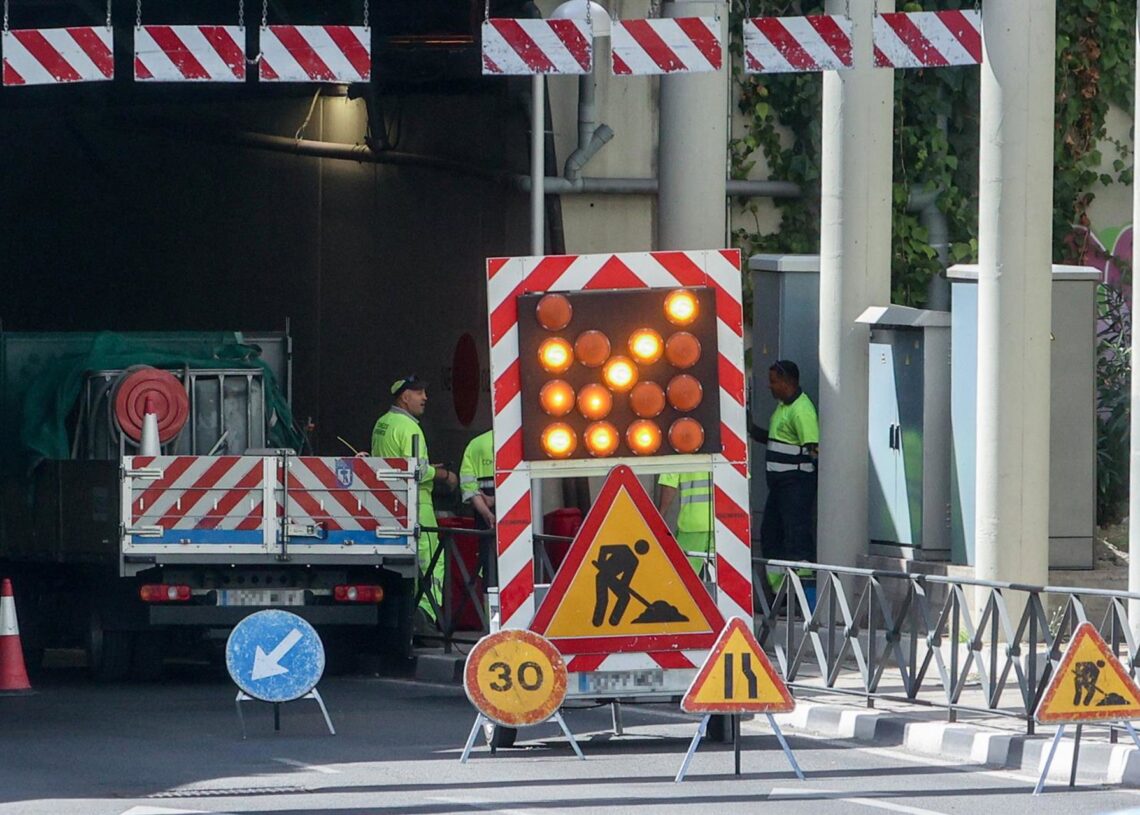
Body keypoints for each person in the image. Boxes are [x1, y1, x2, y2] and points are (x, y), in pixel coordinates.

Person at [370, 375, 458, 627]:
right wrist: (445, 475)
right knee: (431, 562)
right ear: (405, 397)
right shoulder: (409, 427)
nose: (425, 398)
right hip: (417, 504)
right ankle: (426, 613)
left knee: (400, 562)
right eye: (419, 393)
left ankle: (404, 614)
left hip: (389, 505)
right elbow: (416, 470)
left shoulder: (382, 423)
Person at [753, 360, 819, 586]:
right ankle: (779, 589)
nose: (769, 386)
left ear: (787, 382)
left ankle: (802, 590)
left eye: (773, 382)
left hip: (796, 485)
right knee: (771, 535)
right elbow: (778, 441)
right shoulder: (784, 407)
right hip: (781, 486)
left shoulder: (801, 410)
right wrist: (753, 431)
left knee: (796, 536)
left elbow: (814, 449)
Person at [459, 429, 496, 585]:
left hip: (485, 518)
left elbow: (469, 487)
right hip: (516, 516)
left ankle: (489, 598)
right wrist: (498, 499)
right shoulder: (519, 440)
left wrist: (487, 513)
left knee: (489, 565)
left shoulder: (476, 444)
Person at [657, 472, 713, 575]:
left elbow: (669, 486)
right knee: (728, 575)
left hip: (693, 523)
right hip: (724, 524)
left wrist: (659, 516)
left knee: (682, 576)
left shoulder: (677, 458)